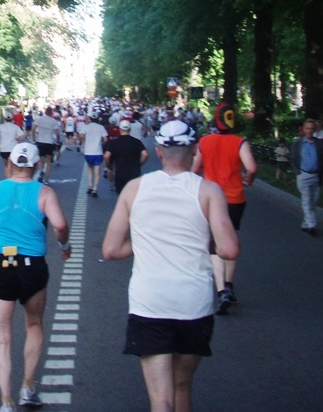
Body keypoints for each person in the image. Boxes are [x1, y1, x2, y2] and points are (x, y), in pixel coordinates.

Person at [102, 120, 239, 412]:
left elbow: (111, 250)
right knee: (181, 388)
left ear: (159, 151)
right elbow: (228, 249)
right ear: (194, 151)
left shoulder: (134, 189)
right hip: (195, 303)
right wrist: (202, 242)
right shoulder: (209, 191)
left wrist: (148, 240)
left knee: (161, 400)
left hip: (149, 303)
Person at [0, 142, 72, 412]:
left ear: (11, 163)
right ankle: (28, 387)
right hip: (31, 266)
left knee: (2, 337)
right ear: (36, 165)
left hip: (0, 264)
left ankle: (6, 400)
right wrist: (64, 246)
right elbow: (60, 224)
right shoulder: (44, 192)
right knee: (34, 325)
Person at [191, 103, 257, 314]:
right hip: (235, 199)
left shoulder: (205, 142)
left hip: (211, 199)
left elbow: (194, 169)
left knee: (214, 245)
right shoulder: (240, 142)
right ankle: (229, 284)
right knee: (230, 238)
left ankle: (221, 290)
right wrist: (249, 180)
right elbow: (252, 168)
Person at [290, 118, 323, 236]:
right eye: (307, 128)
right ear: (303, 129)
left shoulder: (319, 143)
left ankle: (306, 223)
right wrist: (297, 172)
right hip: (303, 175)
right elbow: (293, 158)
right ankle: (312, 225)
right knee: (306, 200)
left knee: (314, 201)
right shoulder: (298, 143)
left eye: (311, 129)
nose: (309, 131)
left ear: (314, 130)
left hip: (316, 176)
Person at [103, 120, 149, 194]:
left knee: (122, 195)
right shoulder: (137, 142)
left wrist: (109, 166)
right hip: (134, 172)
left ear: (120, 129)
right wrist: (139, 164)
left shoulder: (114, 143)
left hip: (120, 173)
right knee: (134, 194)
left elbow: (106, 156)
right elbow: (145, 154)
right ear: (130, 129)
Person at [82, 114, 109, 198]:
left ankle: (90, 185)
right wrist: (101, 144)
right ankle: (95, 188)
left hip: (88, 151)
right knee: (97, 171)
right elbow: (106, 139)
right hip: (98, 151)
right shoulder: (101, 127)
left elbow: (81, 135)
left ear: (90, 119)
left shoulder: (86, 127)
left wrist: (83, 142)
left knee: (89, 168)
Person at [31, 107, 60, 184]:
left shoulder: (39, 119)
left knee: (41, 159)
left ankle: (41, 172)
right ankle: (46, 179)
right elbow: (57, 133)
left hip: (40, 141)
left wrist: (34, 138)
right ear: (51, 113)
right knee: (49, 161)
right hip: (49, 142)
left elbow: (33, 129)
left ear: (45, 111)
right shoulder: (53, 121)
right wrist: (57, 140)